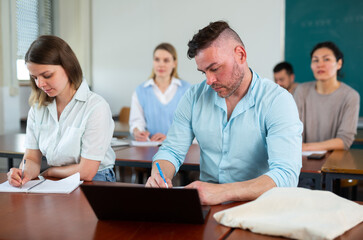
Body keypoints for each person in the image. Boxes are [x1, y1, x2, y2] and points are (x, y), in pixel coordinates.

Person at [146, 21, 303, 205]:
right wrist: (159, 176)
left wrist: (222, 192)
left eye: (214, 68)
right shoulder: (194, 97)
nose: (209, 80)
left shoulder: (278, 101)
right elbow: (171, 150)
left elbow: (285, 175)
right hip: (207, 205)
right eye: (203, 72)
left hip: (258, 206)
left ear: (241, 55)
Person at [7, 35, 116, 187]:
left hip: (94, 181)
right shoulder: (38, 109)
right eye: (34, 77)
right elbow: (32, 158)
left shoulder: (96, 107)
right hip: (56, 181)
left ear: (68, 66)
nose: (40, 84)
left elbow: (87, 171)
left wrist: (51, 172)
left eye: (47, 75)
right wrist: (22, 173)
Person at [294, 41, 360, 151]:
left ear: (339, 64)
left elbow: (344, 141)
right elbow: (293, 130)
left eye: (326, 59)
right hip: (302, 159)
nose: (320, 64)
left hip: (334, 162)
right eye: (315, 60)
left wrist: (306, 147)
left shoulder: (350, 96)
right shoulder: (301, 91)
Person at [129, 43, 191, 142]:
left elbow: (192, 126)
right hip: (149, 148)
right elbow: (137, 122)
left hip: (179, 149)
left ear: (174, 63)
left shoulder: (187, 90)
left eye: (166, 60)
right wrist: (137, 132)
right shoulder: (140, 91)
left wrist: (170, 139)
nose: (161, 64)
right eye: (157, 59)